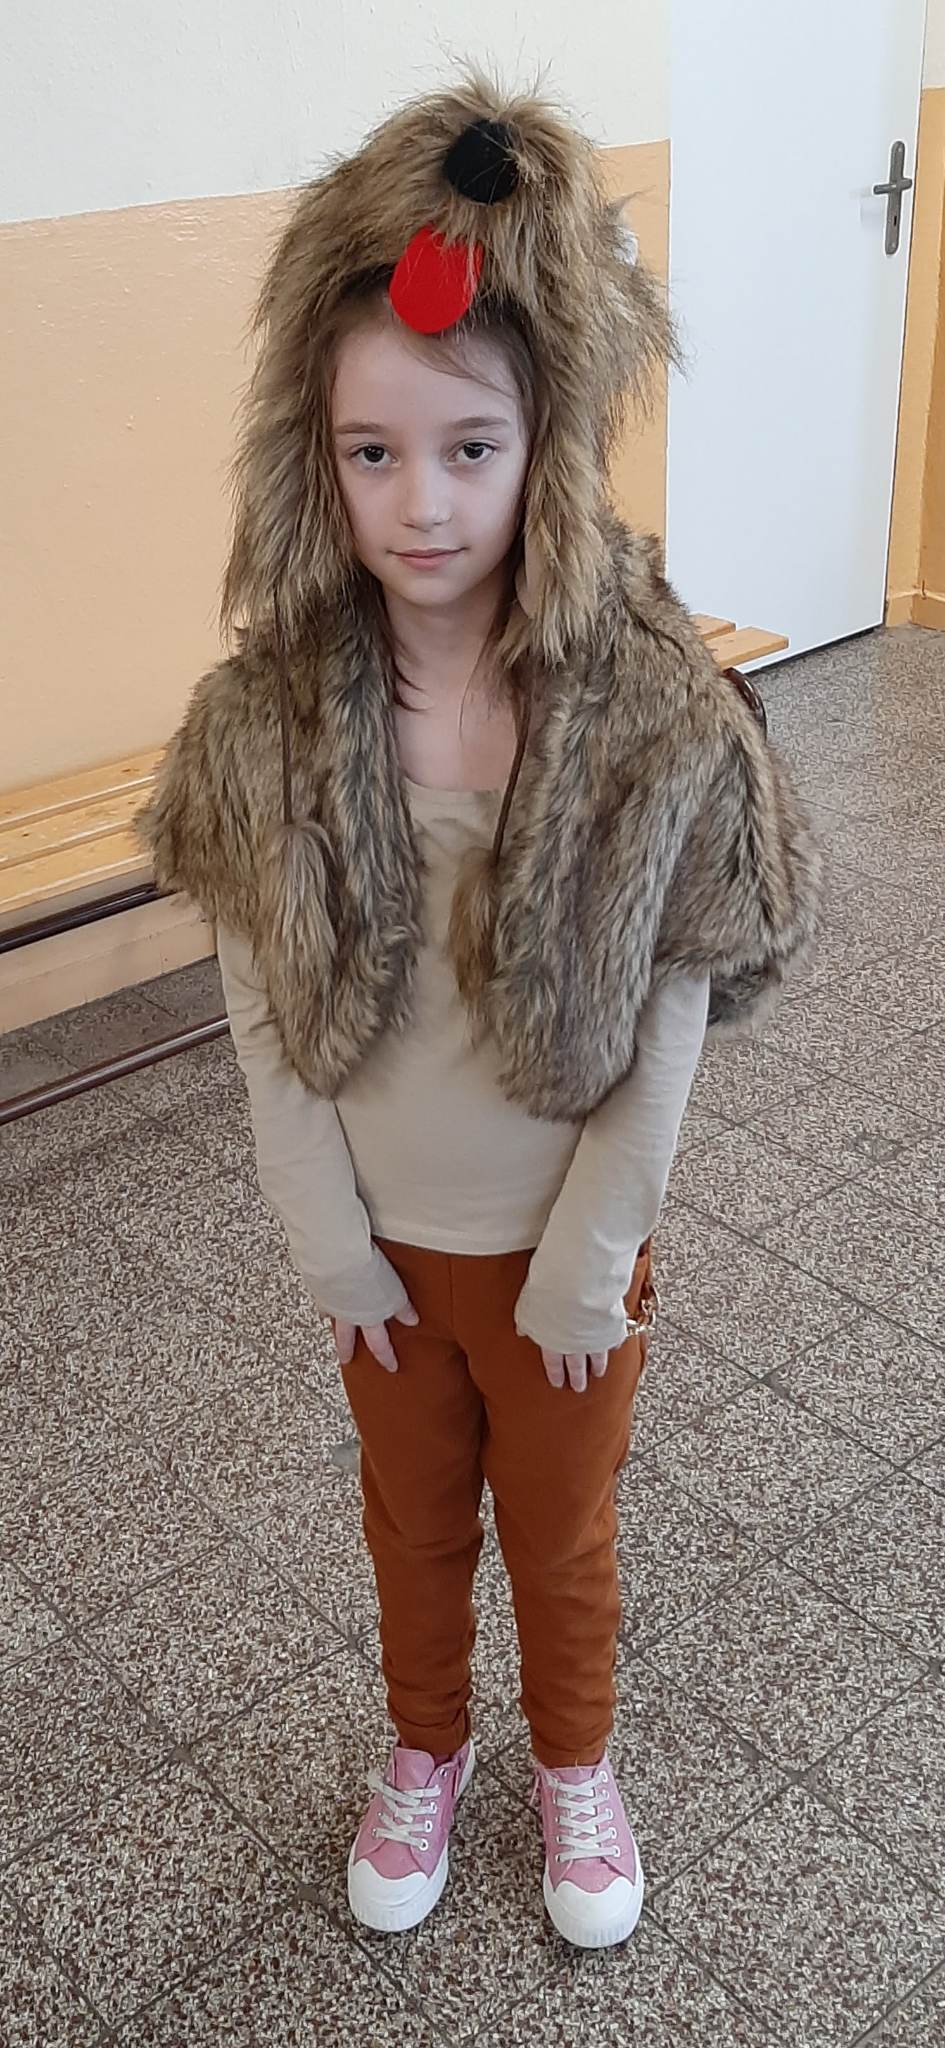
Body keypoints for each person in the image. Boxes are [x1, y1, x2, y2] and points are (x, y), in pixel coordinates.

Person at [139, 68, 820, 1952]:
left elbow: (666, 1010)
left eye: (468, 448)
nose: (419, 502)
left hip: (564, 1255)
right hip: (383, 1254)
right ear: (314, 453)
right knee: (413, 1523)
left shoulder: (648, 710)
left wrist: (593, 1257)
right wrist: (328, 1243)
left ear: (548, 448)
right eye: (371, 453)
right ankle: (423, 1747)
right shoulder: (271, 718)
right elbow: (262, 1007)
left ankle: (572, 1762)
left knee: (561, 1533)